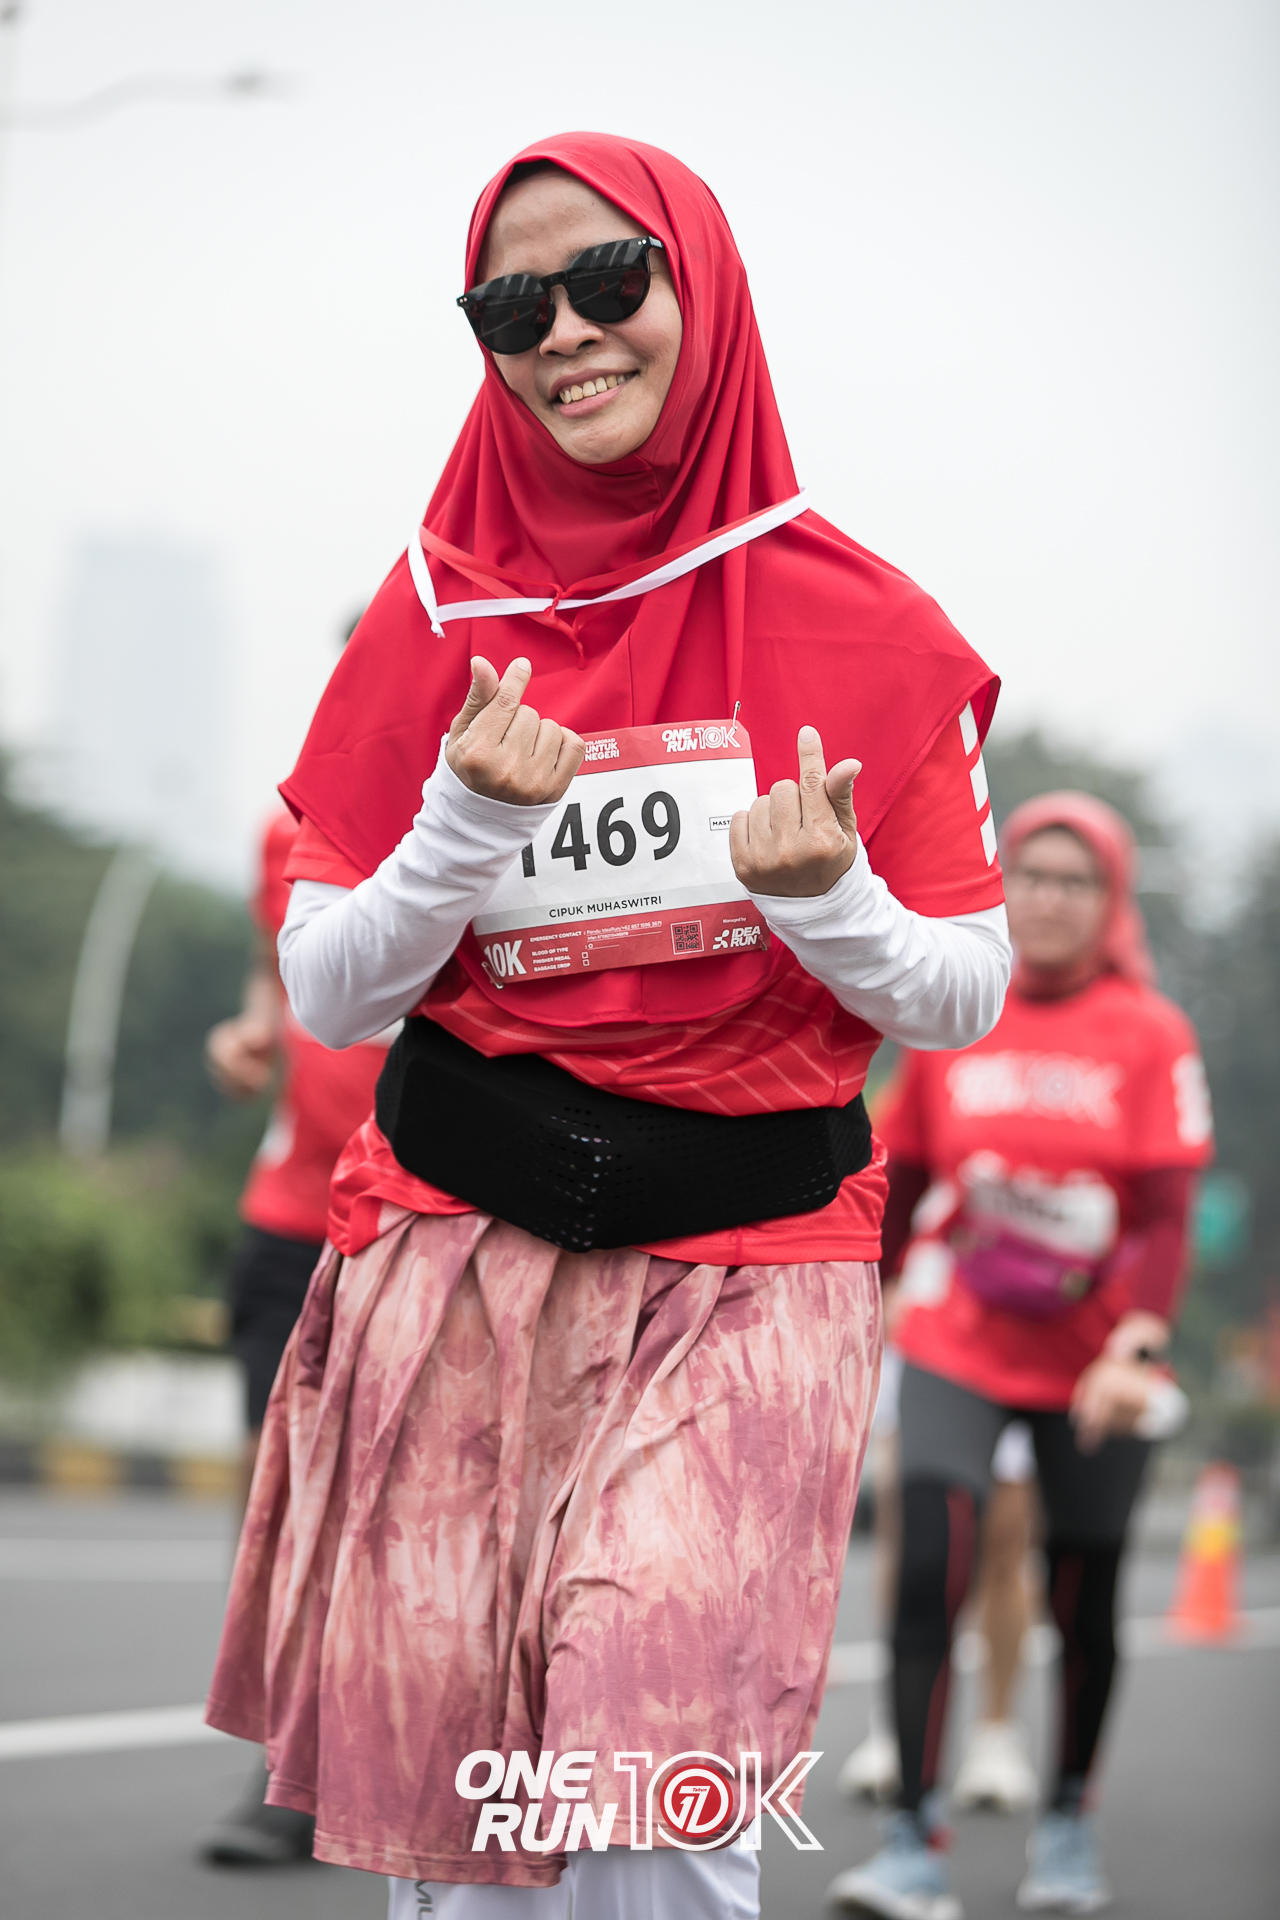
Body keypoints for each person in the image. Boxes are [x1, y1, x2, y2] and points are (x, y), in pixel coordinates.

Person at [204, 133, 1012, 1920]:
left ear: (699, 288)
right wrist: (463, 823)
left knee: (657, 1782)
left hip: (750, 1271)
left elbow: (960, 990)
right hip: (458, 1258)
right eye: (511, 304)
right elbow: (334, 988)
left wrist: (830, 901)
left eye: (607, 280)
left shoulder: (874, 627)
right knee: (468, 1818)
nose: (563, 331)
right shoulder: (435, 610)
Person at [828, 793, 1210, 1919]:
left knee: (1081, 1596)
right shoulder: (961, 1010)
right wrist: (871, 1297)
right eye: (1029, 875)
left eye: (1073, 880)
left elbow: (1166, 1217)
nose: (1047, 898)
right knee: (927, 1569)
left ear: (1110, 900)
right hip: (961, 1339)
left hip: (1097, 1363)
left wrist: (1139, 1344)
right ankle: (911, 1844)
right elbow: (901, 1178)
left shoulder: (1149, 1032)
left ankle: (1068, 1823)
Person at [200, 800, 391, 1867]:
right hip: (290, 1217)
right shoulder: (294, 825)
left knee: (402, 1503)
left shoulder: (518, 801)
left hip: (431, 1214)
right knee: (271, 1487)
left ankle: (416, 1737)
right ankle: (288, 1754)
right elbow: (273, 970)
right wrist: (251, 1034)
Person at [838, 1342, 1040, 1813]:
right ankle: (895, 1728)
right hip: (930, 1344)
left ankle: (995, 1734)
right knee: (906, 1540)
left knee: (1005, 1546)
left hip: (1017, 1348)